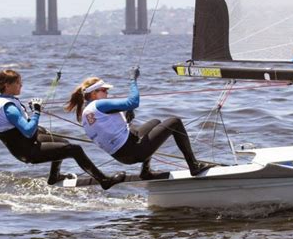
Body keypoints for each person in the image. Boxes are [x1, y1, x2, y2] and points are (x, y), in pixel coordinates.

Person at [0, 69, 125, 190]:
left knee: (61, 142)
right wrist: (36, 112)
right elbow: (28, 130)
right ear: (7, 85)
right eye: (18, 84)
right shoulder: (8, 107)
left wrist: (35, 122)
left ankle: (54, 177)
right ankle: (104, 180)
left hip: (25, 143)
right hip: (27, 151)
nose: (21, 86)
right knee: (74, 149)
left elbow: (15, 128)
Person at [64, 67, 215, 180]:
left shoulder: (86, 111)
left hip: (122, 155)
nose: (107, 93)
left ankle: (145, 172)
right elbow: (133, 101)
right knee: (174, 122)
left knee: (155, 122)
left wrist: (126, 111)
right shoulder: (99, 105)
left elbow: (110, 126)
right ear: (94, 93)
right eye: (104, 90)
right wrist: (133, 80)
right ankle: (194, 166)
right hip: (133, 152)